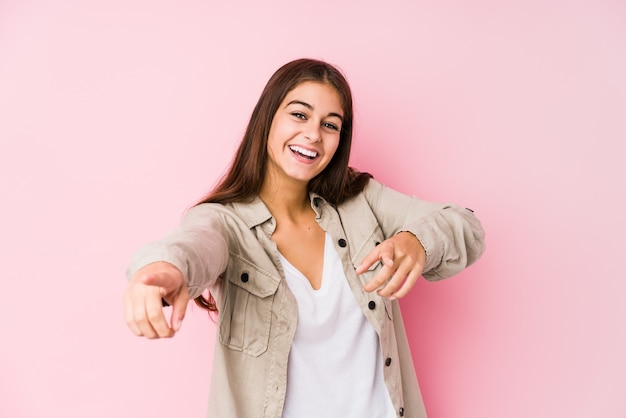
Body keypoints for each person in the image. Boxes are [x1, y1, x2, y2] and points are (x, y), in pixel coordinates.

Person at [124, 58, 485, 418]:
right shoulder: (225, 222)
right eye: (299, 115)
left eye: (330, 124)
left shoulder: (362, 200)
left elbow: (464, 225)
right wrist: (162, 269)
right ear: (267, 119)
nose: (314, 134)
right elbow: (192, 246)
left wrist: (415, 240)